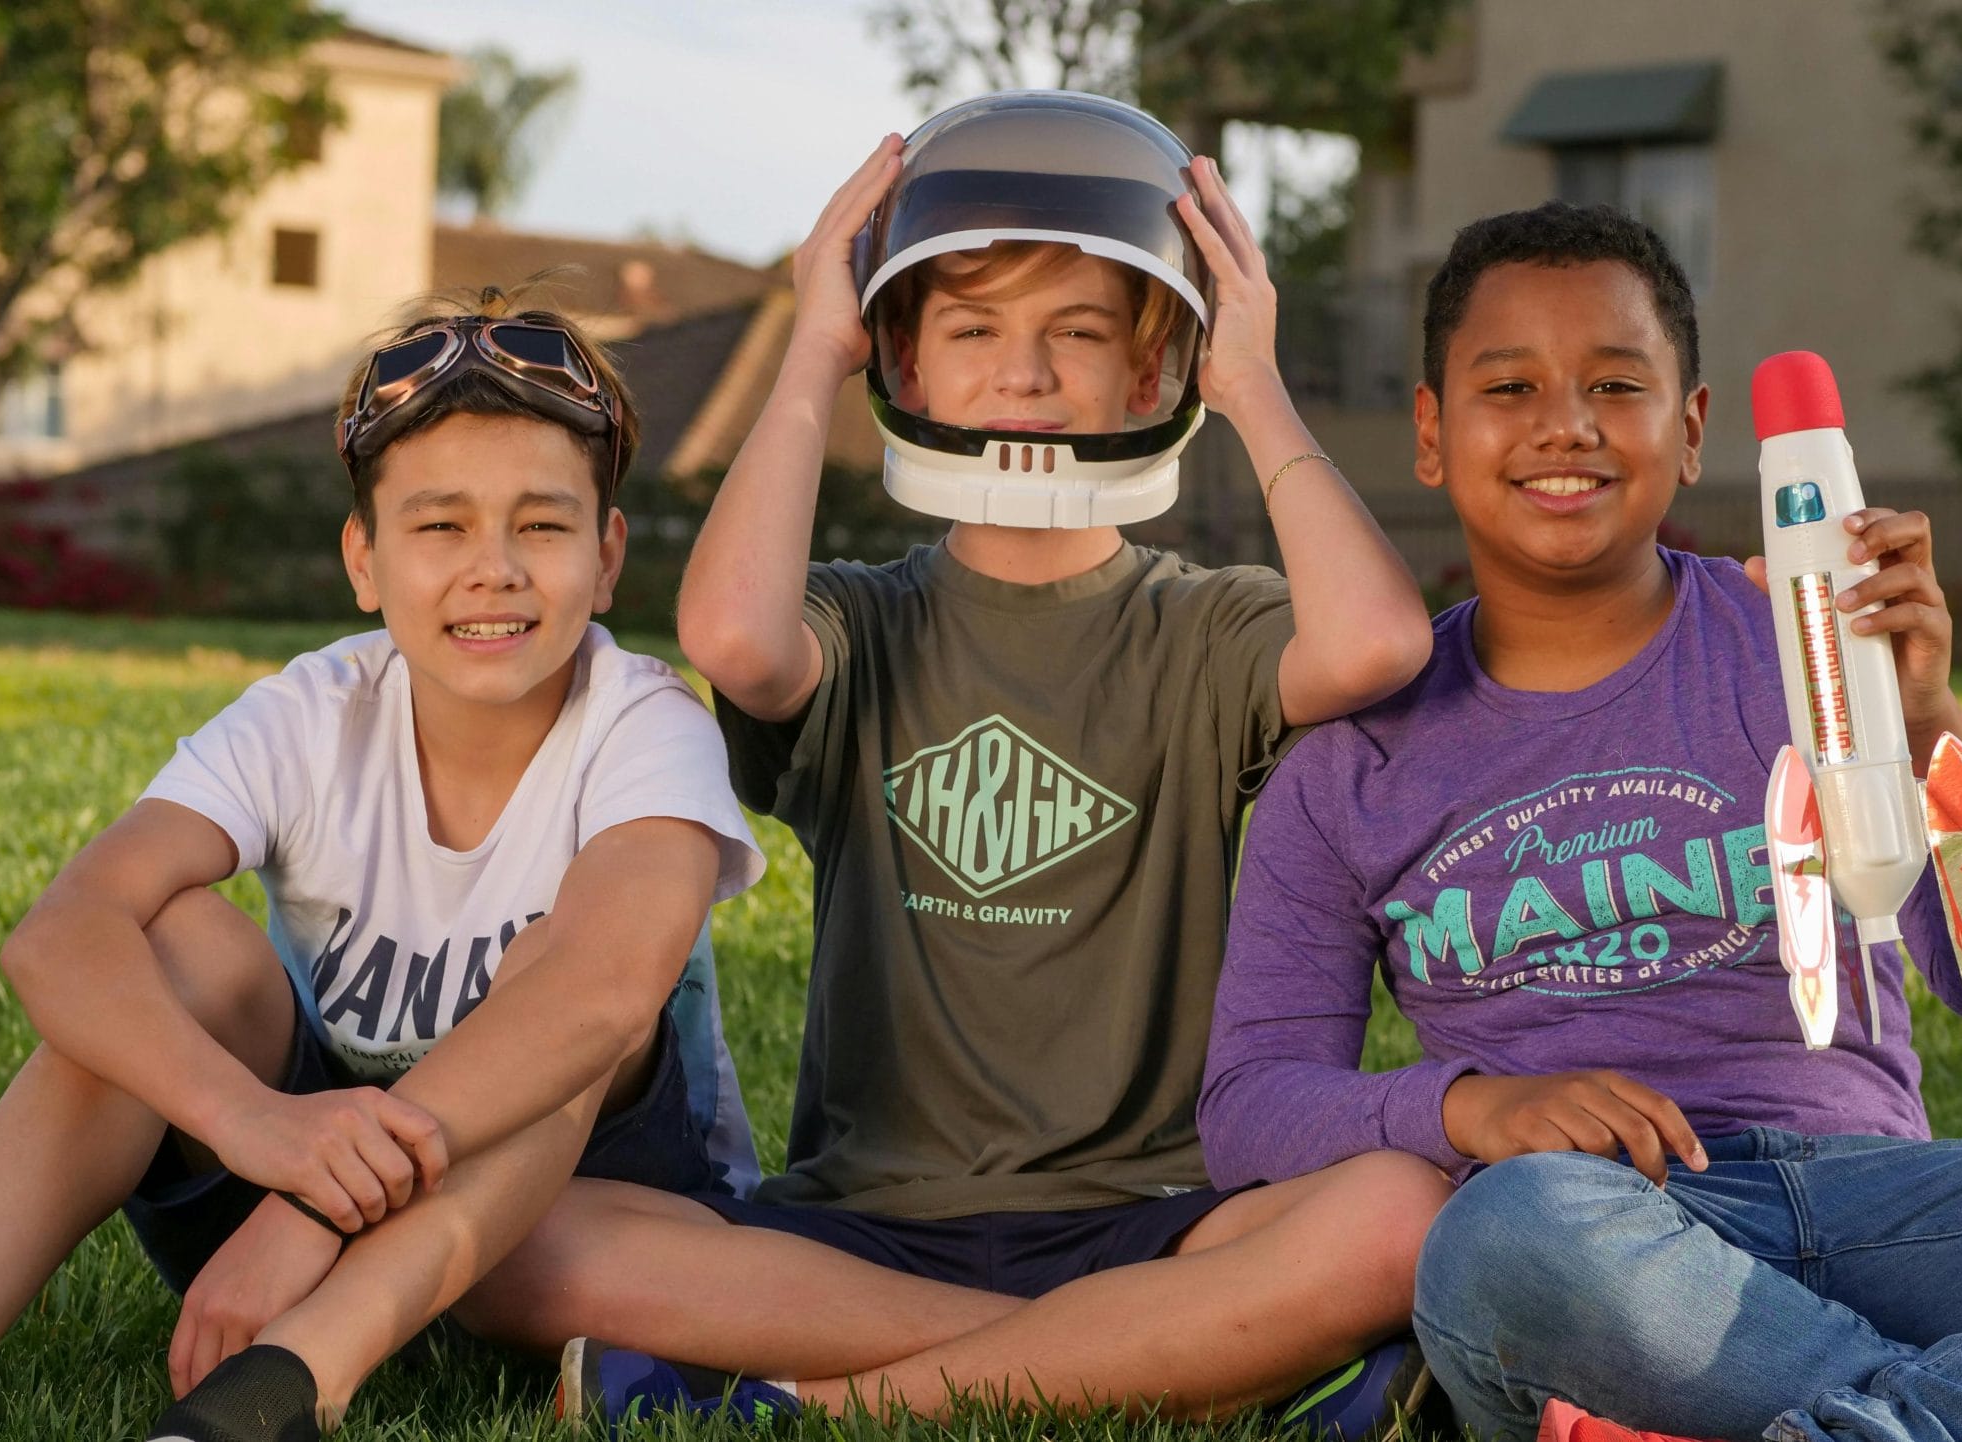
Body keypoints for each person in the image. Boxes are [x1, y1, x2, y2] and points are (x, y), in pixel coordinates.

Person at [1200, 201, 1962, 1442]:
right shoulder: (1354, 755)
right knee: (1493, 1239)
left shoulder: (1806, 640)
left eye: (1616, 382)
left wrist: (1925, 724)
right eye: (1510, 385)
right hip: (1608, 1240)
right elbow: (1251, 1103)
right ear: (1433, 434)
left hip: (1885, 1205)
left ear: (1695, 429)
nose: (1566, 422)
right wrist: (1473, 1107)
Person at [517, 92, 1449, 1436]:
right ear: (900, 361)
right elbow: (730, 634)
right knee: (523, 1236)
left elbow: (1374, 643)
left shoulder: (1208, 622)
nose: (1023, 373)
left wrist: (1247, 376)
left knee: (1399, 1212)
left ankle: (814, 1405)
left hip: (1150, 1215)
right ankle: (1167, 1365)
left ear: (1153, 371)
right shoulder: (855, 616)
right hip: (863, 1226)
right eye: (971, 331)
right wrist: (805, 353)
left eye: (1078, 331)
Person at [0, 290, 765, 1442]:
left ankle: (283, 1395)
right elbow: (61, 932)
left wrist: (318, 1200)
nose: (495, 569)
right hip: (293, 1194)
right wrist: (254, 1125)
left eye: (544, 526)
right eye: (440, 526)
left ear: (607, 557)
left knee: (547, 990)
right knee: (173, 937)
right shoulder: (317, 709)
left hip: (569, 1219)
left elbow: (605, 997)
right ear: (363, 558)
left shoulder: (643, 720)